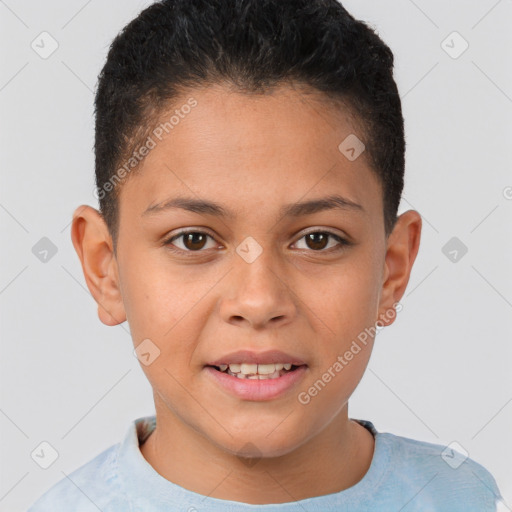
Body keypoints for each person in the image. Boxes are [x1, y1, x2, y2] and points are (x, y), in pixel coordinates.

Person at [28, 0, 504, 510]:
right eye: (193, 239)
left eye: (317, 239)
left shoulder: (468, 497)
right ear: (106, 268)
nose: (258, 301)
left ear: (392, 268)